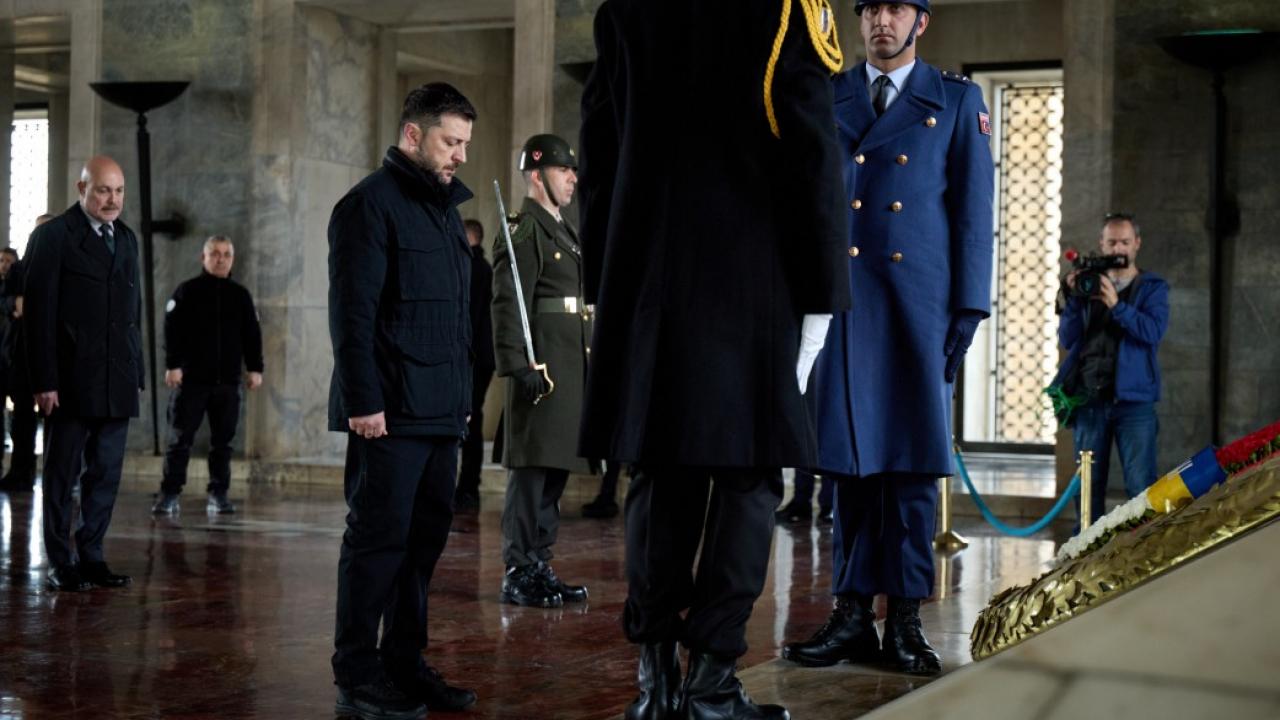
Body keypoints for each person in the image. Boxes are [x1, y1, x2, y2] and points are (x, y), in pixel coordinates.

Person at [579, 0, 850, 717]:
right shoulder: (784, 9)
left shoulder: (623, 12)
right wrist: (823, 296)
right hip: (749, 286)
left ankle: (655, 682)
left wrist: (609, 290)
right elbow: (813, 154)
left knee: (660, 476)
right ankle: (711, 684)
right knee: (747, 481)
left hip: (649, 289)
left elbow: (599, 154)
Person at [783, 0, 995, 677]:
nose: (882, 20)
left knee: (909, 468)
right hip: (844, 305)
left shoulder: (956, 100)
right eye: (871, 8)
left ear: (921, 21)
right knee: (846, 465)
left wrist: (968, 310)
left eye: (897, 8)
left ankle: (904, 618)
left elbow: (973, 213)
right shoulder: (831, 93)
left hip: (917, 307)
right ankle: (850, 614)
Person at [328, 82, 478, 720]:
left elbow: (454, 321)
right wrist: (364, 402)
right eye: (451, 141)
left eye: (465, 144)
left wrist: (462, 402)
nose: (461, 156)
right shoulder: (368, 206)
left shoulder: (444, 211)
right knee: (376, 545)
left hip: (439, 412)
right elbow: (352, 315)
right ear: (413, 135)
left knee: (421, 548)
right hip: (386, 416)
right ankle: (357, 673)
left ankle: (403, 662)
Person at [25, 156, 144, 592]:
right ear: (82, 188)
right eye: (103, 190)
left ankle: (92, 557)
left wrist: (137, 371)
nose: (113, 200)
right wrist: (44, 381)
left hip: (117, 379)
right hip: (70, 382)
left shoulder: (126, 238)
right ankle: (61, 561)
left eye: (119, 191)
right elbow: (38, 315)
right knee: (61, 477)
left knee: (105, 476)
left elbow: (133, 313)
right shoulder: (53, 237)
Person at [492, 133, 592, 608]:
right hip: (540, 369)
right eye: (562, 170)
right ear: (536, 175)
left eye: (572, 170)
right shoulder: (524, 229)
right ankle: (518, 569)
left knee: (554, 470)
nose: (572, 178)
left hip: (567, 368)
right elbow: (507, 302)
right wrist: (517, 364)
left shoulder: (562, 229)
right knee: (532, 474)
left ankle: (539, 563)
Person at [1052, 212, 1169, 523]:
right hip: (1090, 400)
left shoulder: (1152, 287)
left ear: (1137, 244)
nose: (1118, 248)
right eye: (1112, 242)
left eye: (1125, 242)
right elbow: (1067, 339)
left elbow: (1152, 332)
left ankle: (1143, 548)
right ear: (1101, 244)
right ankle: (1085, 548)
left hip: (1135, 403)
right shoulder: (1087, 285)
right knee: (1087, 489)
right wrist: (1073, 298)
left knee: (1140, 485)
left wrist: (1117, 305)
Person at [150, 235, 264, 515]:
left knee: (223, 444)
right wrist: (173, 365)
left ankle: (218, 494)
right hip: (191, 381)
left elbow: (252, 335)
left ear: (232, 259)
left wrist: (255, 368)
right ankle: (169, 494)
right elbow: (172, 331)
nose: (221, 259)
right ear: (204, 258)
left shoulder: (241, 295)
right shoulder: (187, 291)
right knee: (179, 441)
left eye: (226, 254)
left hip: (228, 383)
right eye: (215, 253)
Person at [0, 215, 52, 494]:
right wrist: (15, 304)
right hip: (18, 351)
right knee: (20, 417)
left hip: (49, 351)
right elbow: (7, 299)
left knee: (51, 418)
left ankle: (43, 474)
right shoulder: (19, 269)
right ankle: (19, 472)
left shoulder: (65, 263)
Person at [454, 218, 494, 512]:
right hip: (483, 357)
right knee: (472, 418)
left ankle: (467, 487)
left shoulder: (469, 267)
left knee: (468, 420)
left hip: (471, 357)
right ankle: (469, 486)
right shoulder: (484, 268)